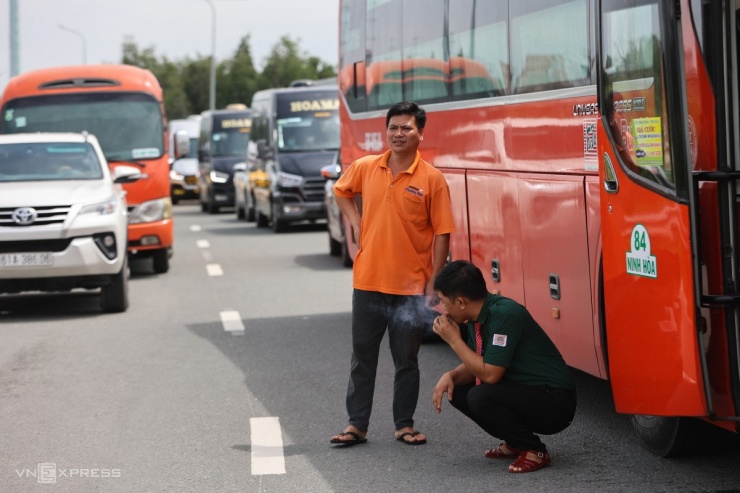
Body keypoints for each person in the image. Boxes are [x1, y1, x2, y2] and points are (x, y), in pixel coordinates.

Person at [329, 101, 456, 447]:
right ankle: (357, 425)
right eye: (393, 128)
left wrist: (434, 283)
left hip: (411, 286)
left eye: (406, 128)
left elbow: (443, 233)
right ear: (387, 132)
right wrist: (355, 222)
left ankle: (404, 424)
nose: (398, 134)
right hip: (368, 281)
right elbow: (340, 191)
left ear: (420, 134)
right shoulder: (367, 167)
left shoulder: (433, 179)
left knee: (407, 360)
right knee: (362, 358)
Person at [431, 260, 577, 473]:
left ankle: (534, 450)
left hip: (555, 401)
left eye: (444, 302)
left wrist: (454, 341)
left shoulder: (504, 314)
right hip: (528, 392)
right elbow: (477, 363)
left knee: (480, 397)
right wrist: (451, 376)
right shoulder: (475, 318)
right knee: (456, 390)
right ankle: (515, 441)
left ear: (461, 302)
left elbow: (490, 375)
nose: (443, 308)